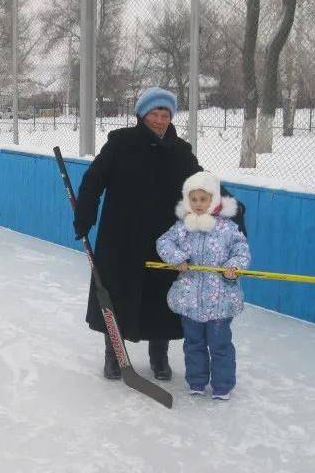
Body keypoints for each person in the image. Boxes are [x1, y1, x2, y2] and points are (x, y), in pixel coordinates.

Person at [73, 87, 246, 381]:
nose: (160, 119)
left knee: (160, 298)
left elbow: (201, 182)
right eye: (155, 113)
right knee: (115, 294)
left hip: (163, 238)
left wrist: (228, 203)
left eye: (166, 114)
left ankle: (159, 357)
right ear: (142, 114)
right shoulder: (121, 143)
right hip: (122, 237)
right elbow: (94, 180)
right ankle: (114, 354)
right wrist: (85, 215)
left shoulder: (180, 151)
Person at [156, 171, 250, 400]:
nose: (198, 204)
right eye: (193, 199)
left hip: (220, 301)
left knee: (220, 345)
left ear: (214, 199)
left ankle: (223, 385)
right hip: (190, 300)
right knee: (193, 343)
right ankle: (196, 381)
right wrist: (177, 258)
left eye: (203, 199)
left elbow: (242, 251)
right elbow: (163, 242)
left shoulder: (227, 228)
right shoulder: (182, 227)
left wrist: (233, 267)